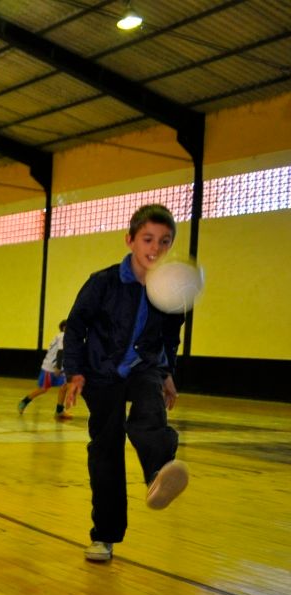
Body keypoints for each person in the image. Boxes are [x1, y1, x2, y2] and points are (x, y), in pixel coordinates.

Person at [63, 203, 189, 563]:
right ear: (130, 240)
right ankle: (104, 536)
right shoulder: (103, 283)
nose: (156, 247)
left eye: (165, 241)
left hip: (143, 367)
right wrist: (75, 372)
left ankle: (158, 473)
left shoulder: (171, 292)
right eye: (148, 239)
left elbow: (169, 337)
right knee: (105, 450)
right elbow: (76, 327)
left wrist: (167, 374)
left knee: (149, 412)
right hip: (101, 374)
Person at [17, 320, 72, 420]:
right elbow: (60, 351)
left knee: (64, 386)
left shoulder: (68, 338)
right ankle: (24, 401)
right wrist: (58, 367)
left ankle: (59, 411)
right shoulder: (62, 336)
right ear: (64, 328)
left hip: (60, 367)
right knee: (43, 389)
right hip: (50, 367)